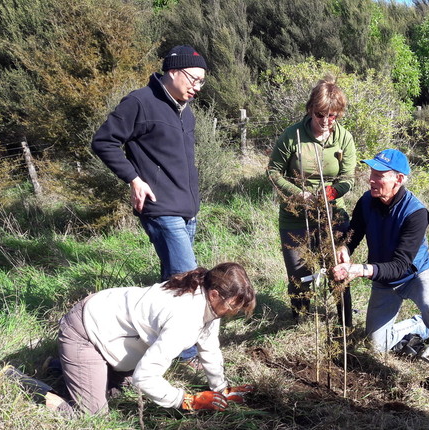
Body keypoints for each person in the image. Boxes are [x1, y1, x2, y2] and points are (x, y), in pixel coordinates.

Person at [331, 149, 429, 413]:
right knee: (377, 344)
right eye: (371, 173)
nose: (371, 180)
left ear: (399, 179)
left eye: (379, 175)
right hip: (384, 279)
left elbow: (400, 265)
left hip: (416, 275)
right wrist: (345, 249)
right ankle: (420, 326)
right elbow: (355, 233)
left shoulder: (416, 213)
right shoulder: (367, 200)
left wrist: (360, 270)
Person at [91, 45, 208, 362]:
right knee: (188, 281)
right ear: (174, 72)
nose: (197, 88)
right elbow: (104, 141)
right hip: (159, 208)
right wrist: (133, 178)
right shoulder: (140, 102)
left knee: (172, 284)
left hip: (186, 211)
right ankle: (185, 354)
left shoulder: (186, 109)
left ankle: (150, 340)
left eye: (202, 82)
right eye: (194, 80)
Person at [53, 263, 256, 415]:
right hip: (86, 331)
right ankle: (32, 386)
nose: (234, 312)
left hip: (111, 331)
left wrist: (221, 389)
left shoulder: (208, 301)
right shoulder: (185, 318)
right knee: (92, 415)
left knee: (119, 391)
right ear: (214, 294)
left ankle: (58, 367)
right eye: (232, 306)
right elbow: (144, 378)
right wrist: (186, 400)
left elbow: (209, 347)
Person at [266, 76, 356, 325]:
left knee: (338, 269)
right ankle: (301, 320)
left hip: (332, 215)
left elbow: (348, 177)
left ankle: (344, 323)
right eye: (320, 115)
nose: (326, 122)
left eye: (332, 116)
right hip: (295, 216)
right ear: (310, 110)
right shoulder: (292, 135)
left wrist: (330, 194)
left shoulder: (344, 138)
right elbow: (273, 172)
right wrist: (298, 194)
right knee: (299, 274)